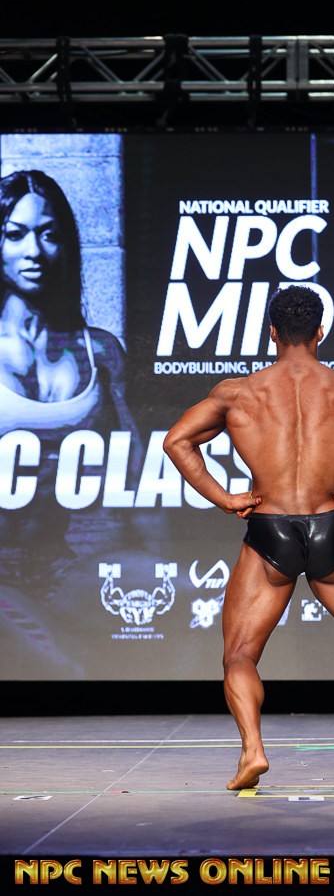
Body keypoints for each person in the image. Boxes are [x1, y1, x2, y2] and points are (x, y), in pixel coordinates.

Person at [163, 284, 334, 790]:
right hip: (331, 525)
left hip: (269, 529)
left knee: (240, 654)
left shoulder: (238, 393)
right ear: (320, 332)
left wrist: (224, 499)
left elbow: (177, 441)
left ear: (272, 333)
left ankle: (252, 751)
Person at [0, 168, 141, 673]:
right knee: (62, 668)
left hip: (75, 570)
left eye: (48, 233)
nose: (33, 251)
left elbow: (137, 477)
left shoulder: (99, 351)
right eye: (15, 234)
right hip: (3, 577)